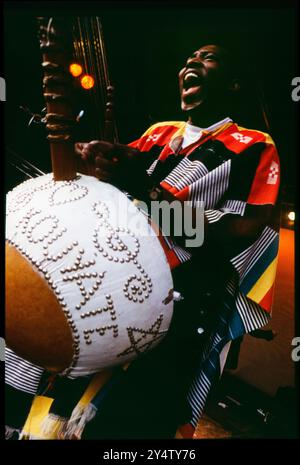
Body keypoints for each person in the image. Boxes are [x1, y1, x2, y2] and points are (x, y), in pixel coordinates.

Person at [5, 43, 280, 440]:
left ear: (234, 83)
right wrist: (92, 164)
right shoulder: (159, 134)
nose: (191, 61)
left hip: (175, 315)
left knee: (122, 427)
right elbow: (120, 203)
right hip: (106, 293)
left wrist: (147, 190)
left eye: (208, 58)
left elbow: (233, 238)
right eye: (190, 56)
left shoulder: (254, 145)